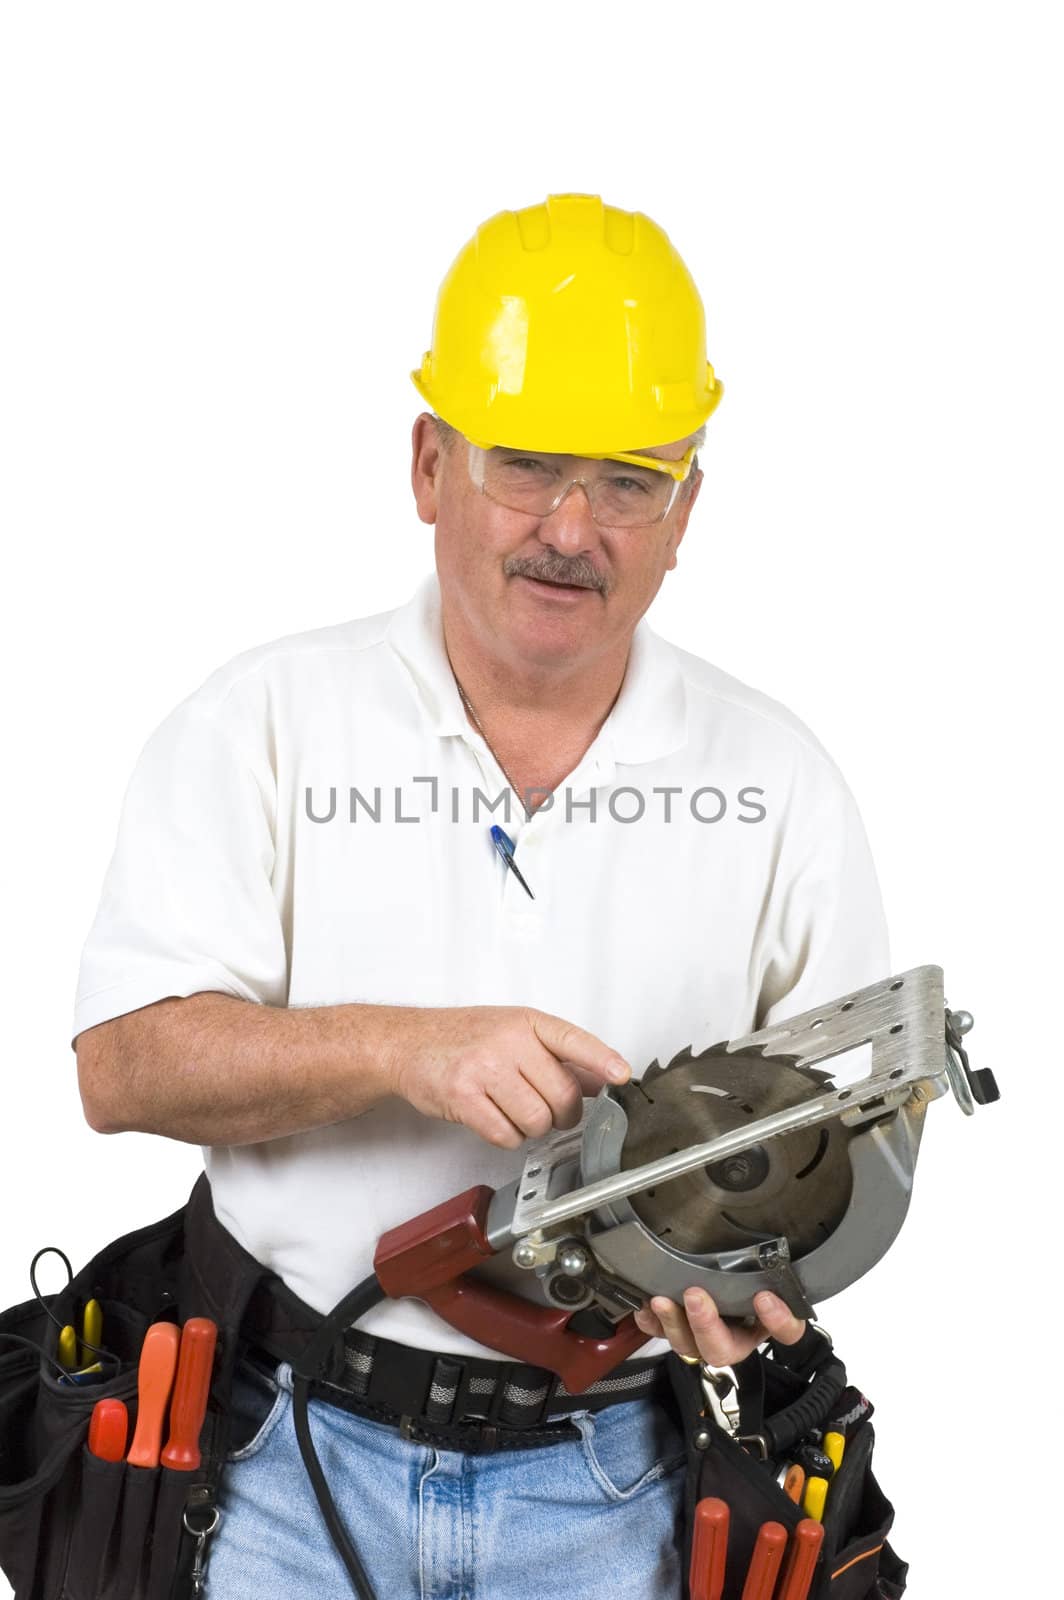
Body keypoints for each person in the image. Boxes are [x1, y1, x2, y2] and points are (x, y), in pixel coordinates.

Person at [72, 193, 889, 1598]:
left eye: (629, 480)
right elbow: (121, 1066)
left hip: (621, 1482)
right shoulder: (264, 722)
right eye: (527, 466)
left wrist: (765, 1293)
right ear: (429, 465)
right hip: (279, 1459)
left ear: (686, 511)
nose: (570, 528)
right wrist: (405, 1047)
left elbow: (855, 1149)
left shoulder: (780, 783)